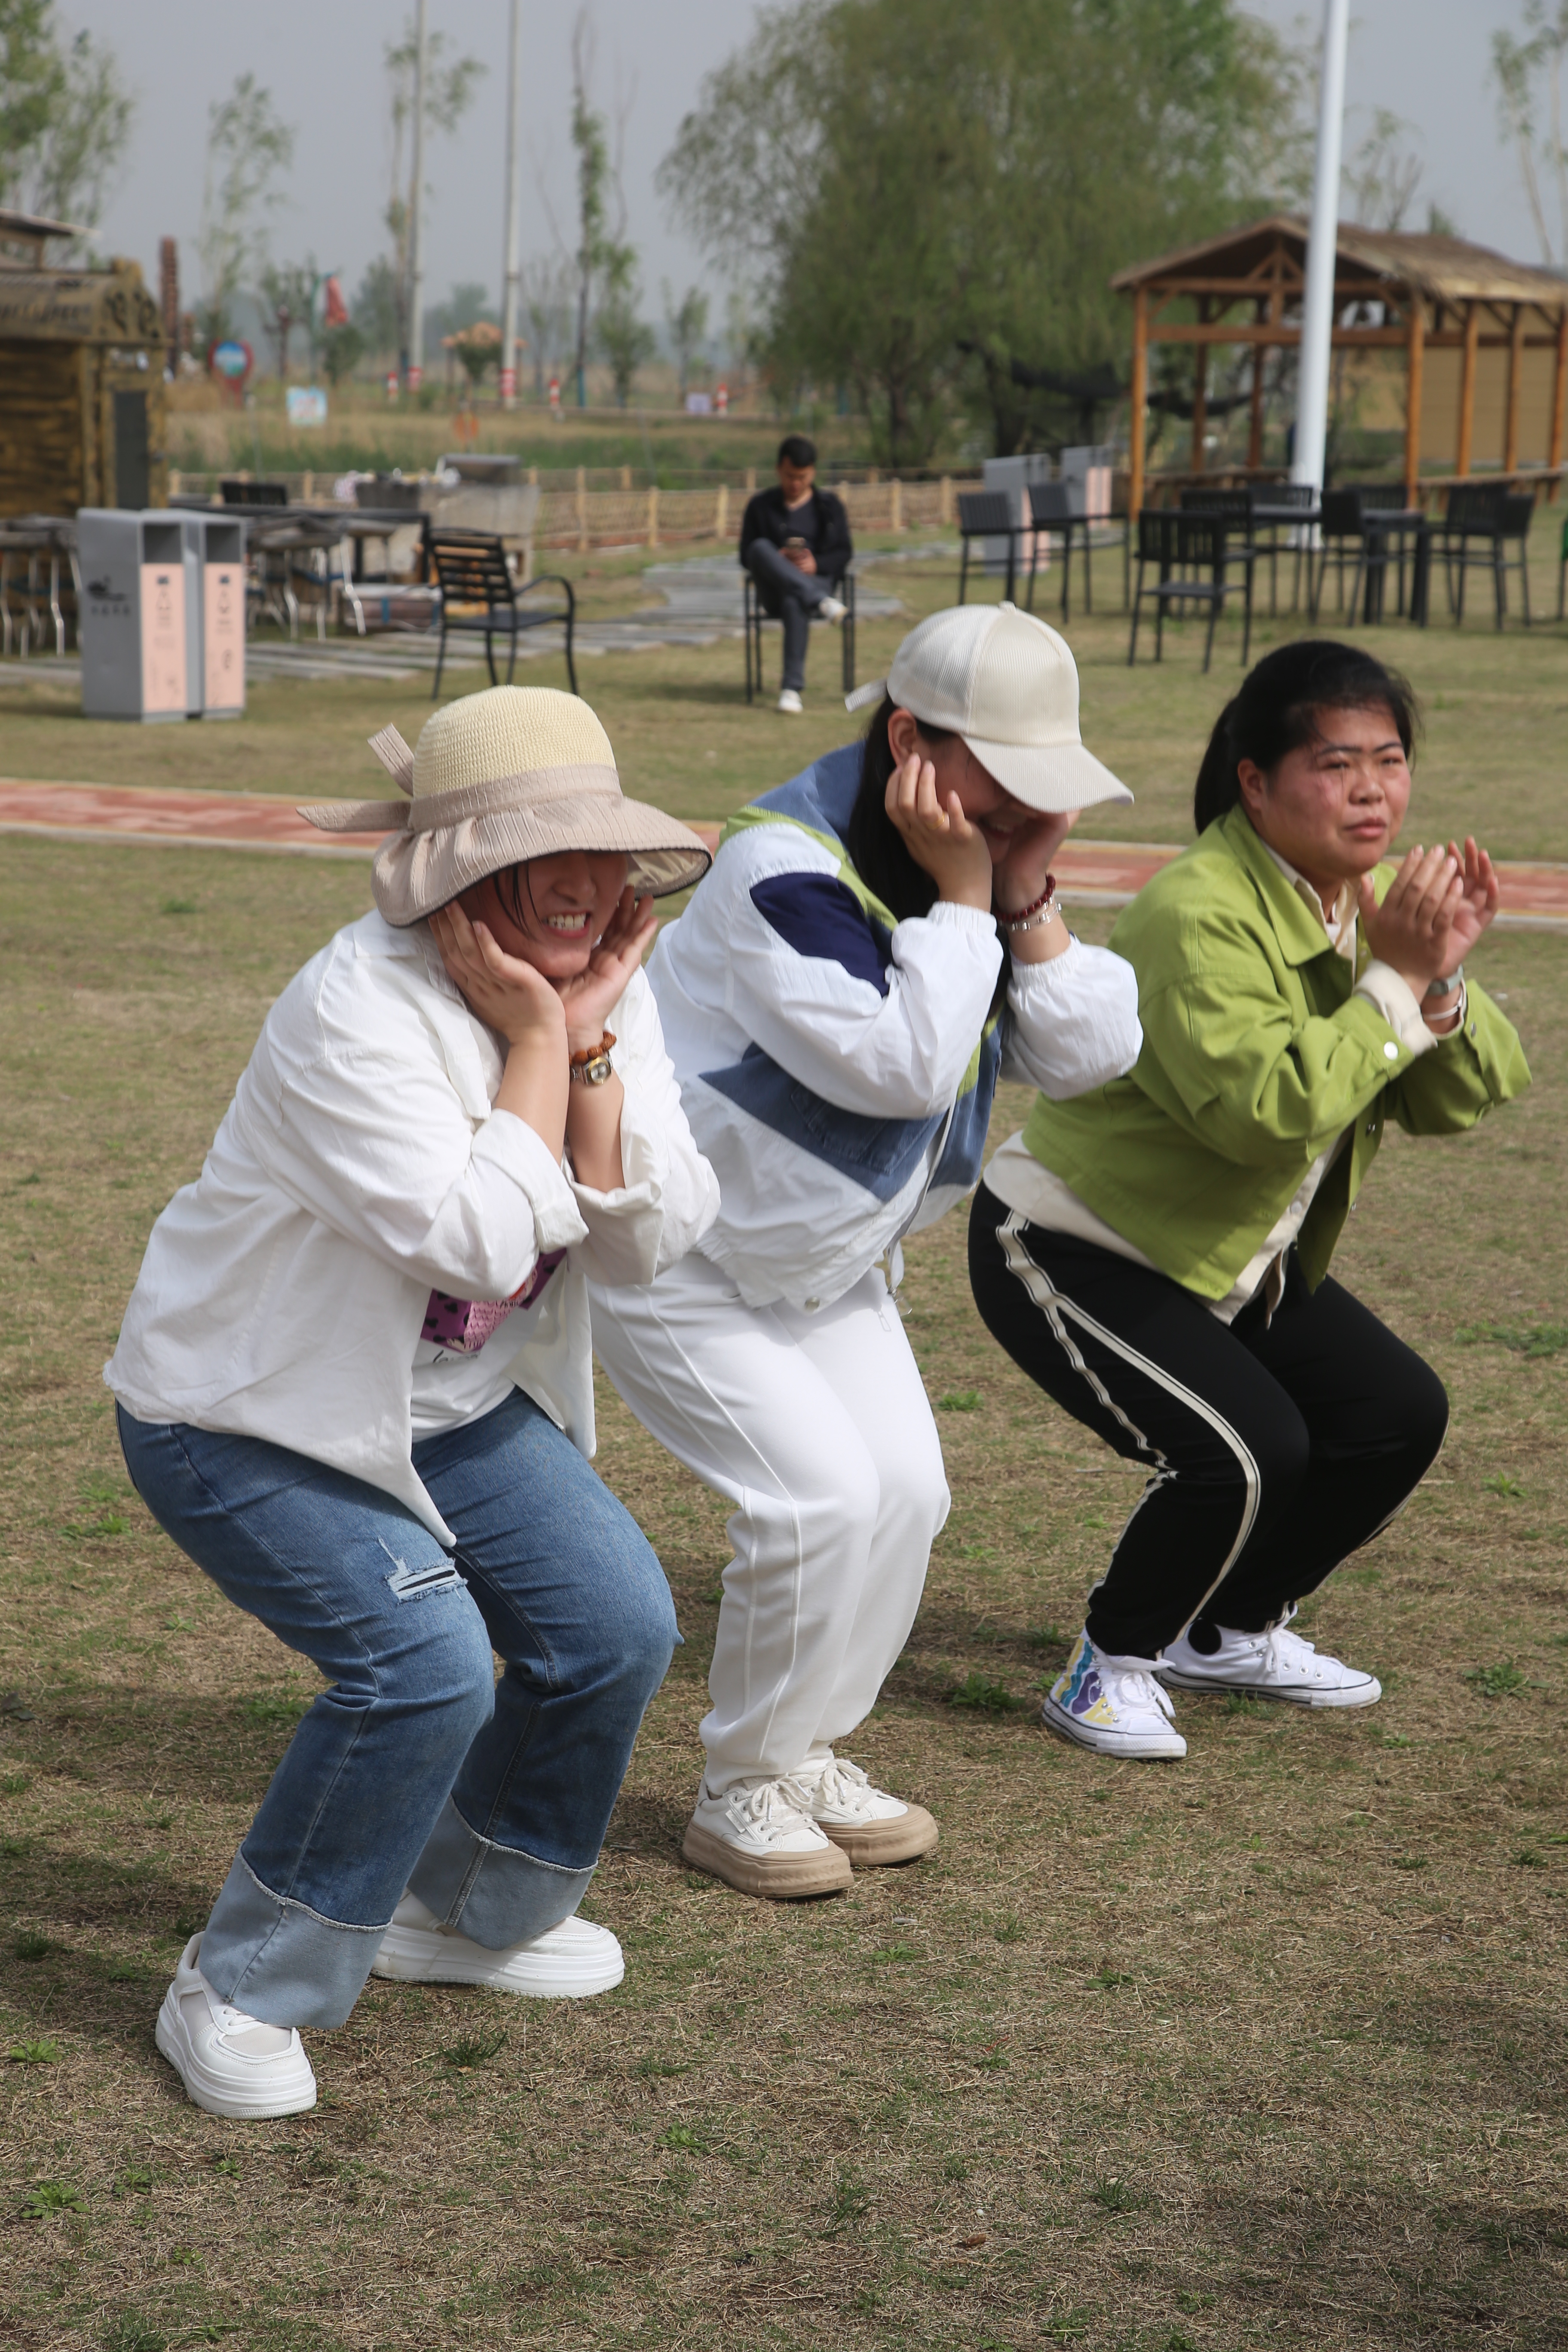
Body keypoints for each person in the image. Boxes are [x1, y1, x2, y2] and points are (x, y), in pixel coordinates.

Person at [105, 686, 718, 2116]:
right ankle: (239, 1983)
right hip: (245, 1410)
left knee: (615, 1625)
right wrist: (540, 1046)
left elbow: (655, 1237)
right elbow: (479, 1245)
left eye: (600, 848)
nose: (581, 883)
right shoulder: (352, 1006)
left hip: (447, 1405)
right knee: (425, 1665)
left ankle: (461, 1909)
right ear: (453, 873)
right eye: (536, 851)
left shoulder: (599, 994)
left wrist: (590, 1048)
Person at [588, 604, 1144, 1896]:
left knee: (905, 1494)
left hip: (823, 1261)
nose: (1025, 812)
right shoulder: (777, 865)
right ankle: (738, 1786)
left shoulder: (970, 869)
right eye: (1005, 785)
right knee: (816, 1502)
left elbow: (1092, 1055)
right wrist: (969, 900)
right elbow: (902, 1066)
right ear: (908, 744)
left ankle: (801, 1750)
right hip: (684, 1250)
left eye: (1046, 790)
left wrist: (1023, 893)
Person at [968, 640, 1531, 1761]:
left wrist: (1441, 979)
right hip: (1068, 1242)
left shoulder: (1368, 903)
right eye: (1336, 763)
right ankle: (1108, 1664)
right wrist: (1394, 979)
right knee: (1246, 1449)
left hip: (1225, 1254)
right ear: (1256, 782)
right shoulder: (1196, 911)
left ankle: (1225, 1631)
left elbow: (1462, 1098)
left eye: (1389, 760)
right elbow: (1264, 1112)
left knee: (1394, 1414)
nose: (1372, 790)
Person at [740, 432, 853, 715]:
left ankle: (791, 690)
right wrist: (777, 559)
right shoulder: (760, 506)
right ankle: (821, 602)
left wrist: (816, 564)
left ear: (812, 472)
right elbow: (745, 555)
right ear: (779, 469)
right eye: (790, 476)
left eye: (802, 477)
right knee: (760, 548)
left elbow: (844, 553)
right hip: (773, 590)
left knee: (795, 599)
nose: (796, 483)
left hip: (816, 580)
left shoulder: (829, 507)